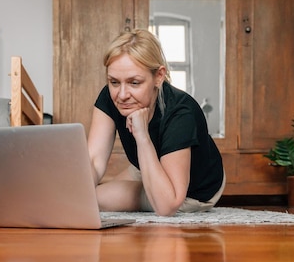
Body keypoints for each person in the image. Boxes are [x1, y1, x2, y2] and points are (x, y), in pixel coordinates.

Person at [88, 29, 225, 216]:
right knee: (84, 196)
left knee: (97, 198)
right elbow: (94, 161)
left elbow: (168, 205)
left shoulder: (181, 111)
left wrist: (142, 135)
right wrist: (74, 192)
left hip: (194, 190)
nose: (121, 95)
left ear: (159, 76)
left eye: (134, 83)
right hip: (147, 166)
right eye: (114, 82)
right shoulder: (110, 96)